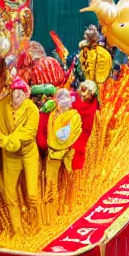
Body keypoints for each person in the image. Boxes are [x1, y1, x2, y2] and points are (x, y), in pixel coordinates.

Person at [0, 76, 41, 235]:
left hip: (28, 152)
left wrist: (12, 139)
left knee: (32, 193)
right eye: (14, 91)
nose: (17, 94)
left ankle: (39, 224)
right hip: (10, 155)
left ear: (26, 94)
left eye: (21, 91)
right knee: (10, 194)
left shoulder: (31, 108)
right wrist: (7, 143)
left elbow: (30, 132)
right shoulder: (0, 107)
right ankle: (18, 230)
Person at [43, 88, 82, 222]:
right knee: (50, 184)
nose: (63, 100)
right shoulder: (52, 114)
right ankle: (51, 214)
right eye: (60, 97)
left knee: (69, 181)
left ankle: (71, 208)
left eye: (66, 97)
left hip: (67, 154)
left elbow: (69, 137)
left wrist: (61, 149)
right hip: (52, 154)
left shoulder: (74, 116)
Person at [71, 79, 98, 170]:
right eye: (83, 89)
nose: (85, 94)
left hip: (85, 136)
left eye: (88, 93)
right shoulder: (72, 97)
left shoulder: (94, 102)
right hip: (70, 132)